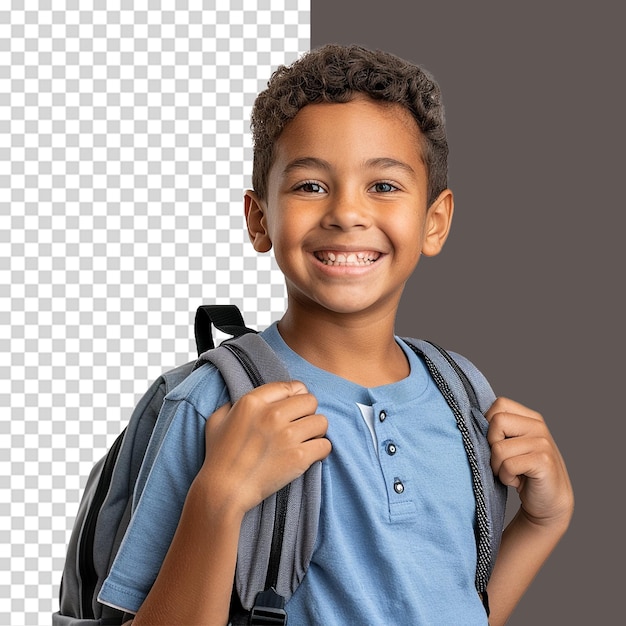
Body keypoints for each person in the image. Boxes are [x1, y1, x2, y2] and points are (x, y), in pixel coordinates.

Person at [97, 44, 574, 625]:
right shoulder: (211, 408)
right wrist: (216, 500)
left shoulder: (464, 394)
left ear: (435, 221)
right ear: (259, 219)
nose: (347, 212)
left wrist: (543, 521)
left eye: (384, 186)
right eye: (310, 186)